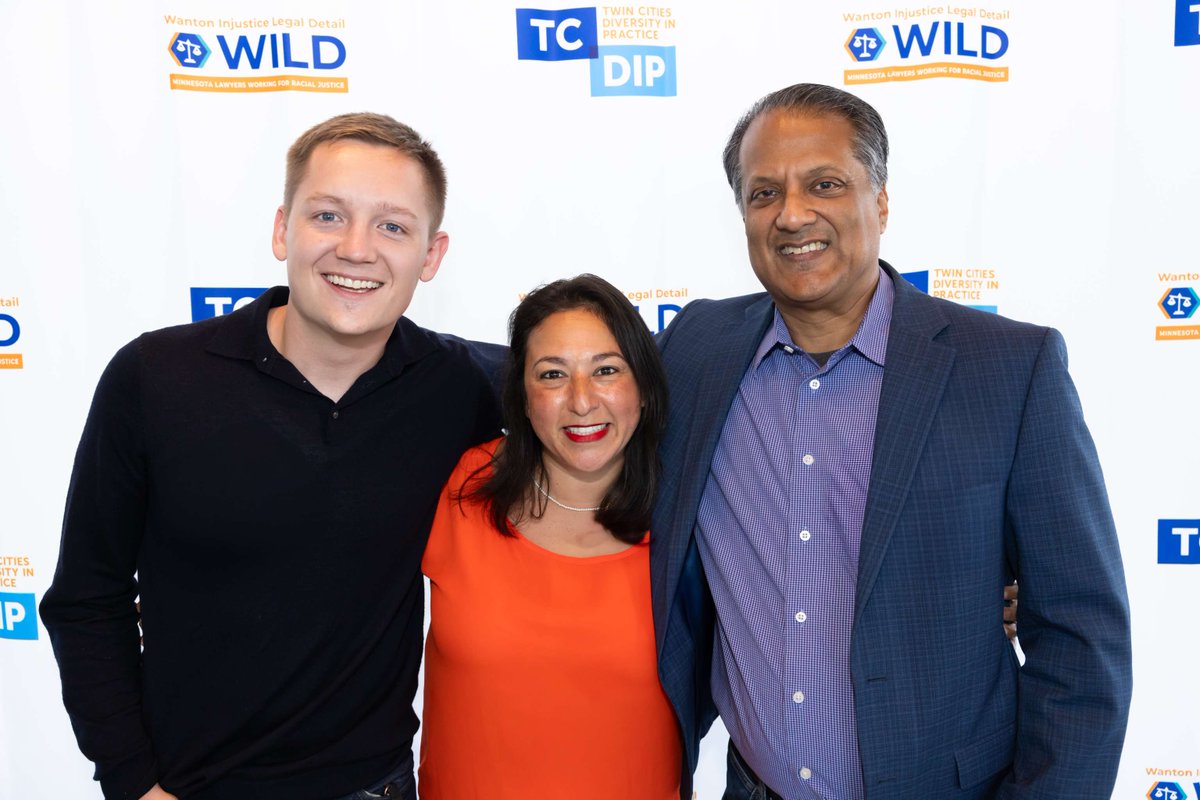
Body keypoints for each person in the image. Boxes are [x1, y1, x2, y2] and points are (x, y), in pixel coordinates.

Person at [650, 84, 1133, 798]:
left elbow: (1083, 643)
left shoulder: (1007, 369)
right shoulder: (695, 350)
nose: (792, 214)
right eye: (763, 193)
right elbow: (557, 381)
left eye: (825, 184)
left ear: (880, 200)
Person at [39, 113, 499, 800]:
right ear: (283, 229)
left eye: (393, 226)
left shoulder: (463, 385)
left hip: (376, 786)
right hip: (188, 787)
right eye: (328, 215)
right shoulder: (155, 378)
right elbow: (86, 600)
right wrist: (134, 783)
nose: (356, 248)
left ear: (431, 256)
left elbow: (595, 387)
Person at [418, 275, 682, 798]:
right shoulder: (463, 487)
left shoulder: (689, 513)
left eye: (606, 370)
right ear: (521, 394)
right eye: (552, 375)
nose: (581, 401)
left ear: (644, 387)